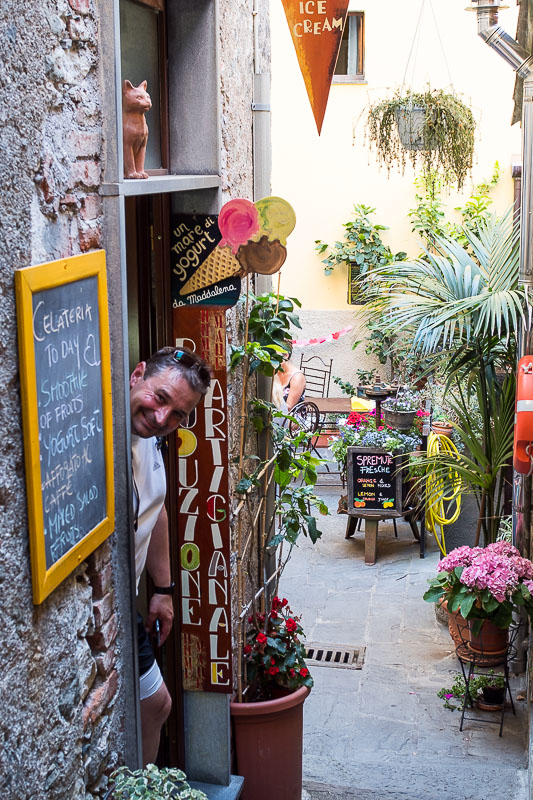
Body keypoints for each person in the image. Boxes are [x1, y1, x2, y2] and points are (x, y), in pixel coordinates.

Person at [129, 345, 211, 765]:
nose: (163, 419)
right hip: (114, 611)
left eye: (178, 414)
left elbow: (156, 507)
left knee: (156, 704)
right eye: (159, 398)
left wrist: (163, 588)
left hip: (133, 604)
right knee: (155, 704)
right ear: (138, 374)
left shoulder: (150, 438)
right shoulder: (110, 437)